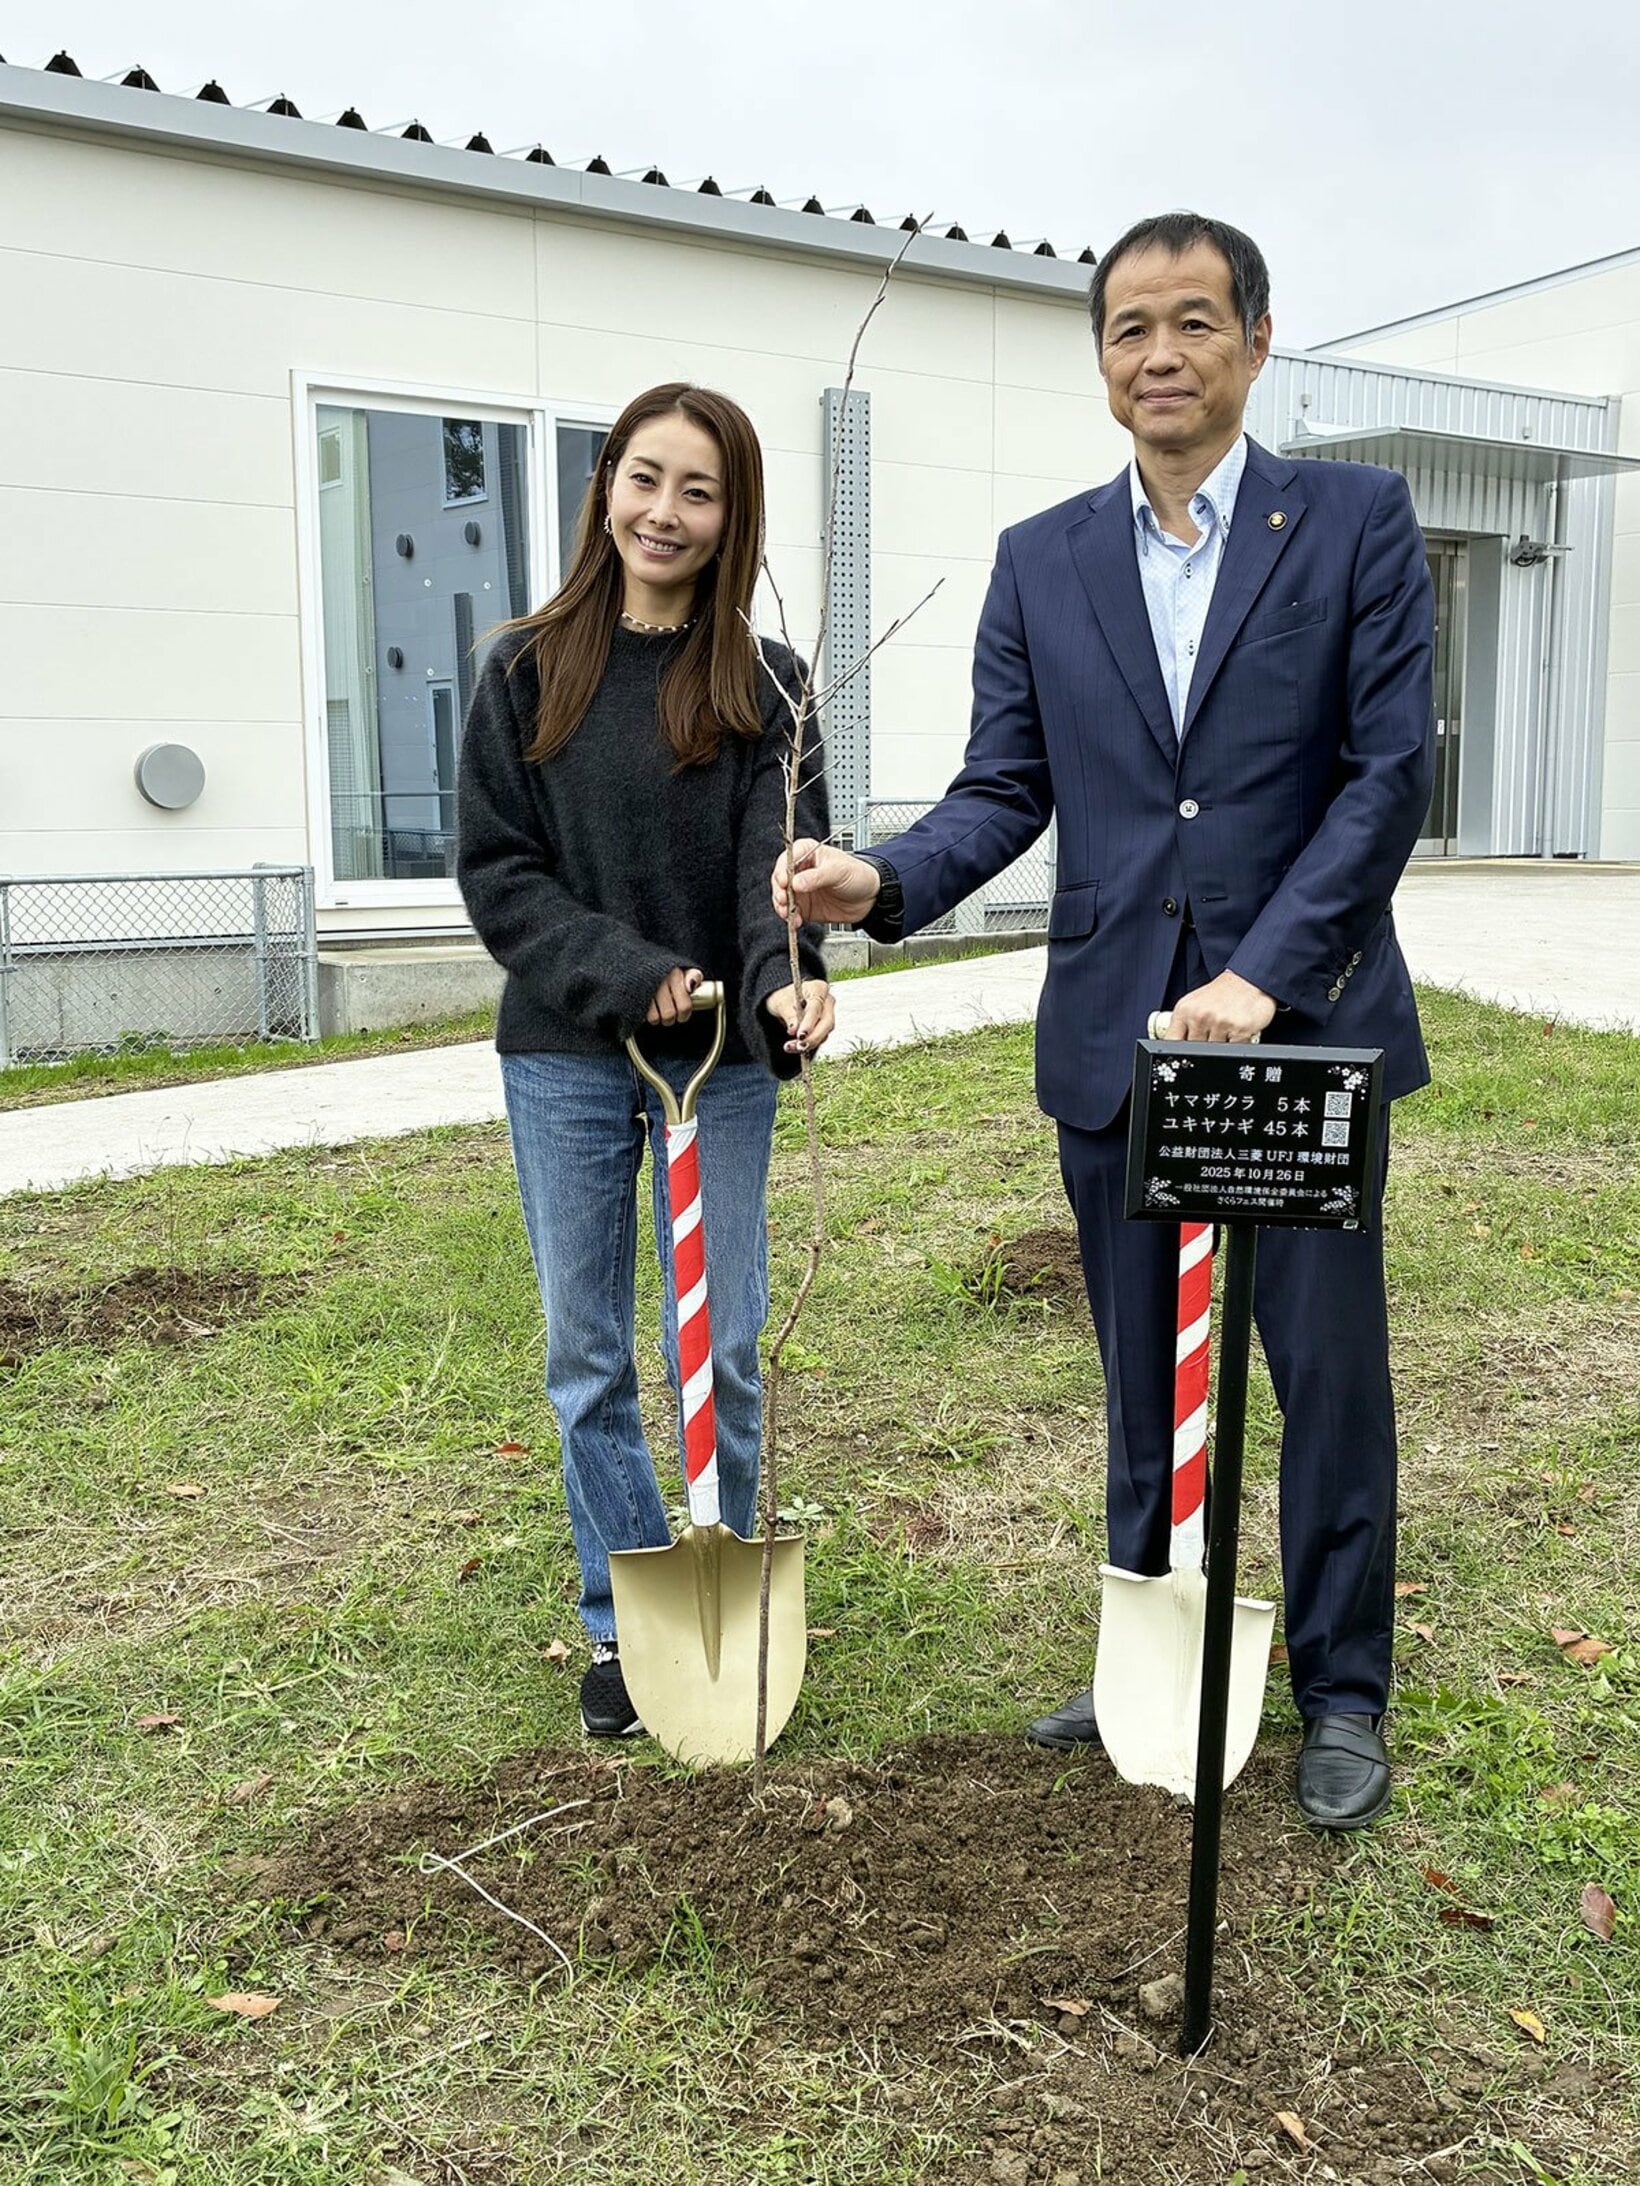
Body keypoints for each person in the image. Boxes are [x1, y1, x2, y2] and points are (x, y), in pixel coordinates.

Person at [774, 214, 1434, 1829]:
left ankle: (1341, 1688)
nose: (1161, 353)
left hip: (1300, 1033)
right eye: (1130, 327)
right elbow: (1008, 785)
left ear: (1257, 343)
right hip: (1117, 1038)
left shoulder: (1353, 521)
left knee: (1324, 1373)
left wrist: (1261, 973)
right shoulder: (1043, 557)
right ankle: (1157, 1638)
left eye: (1195, 321)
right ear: (1101, 363)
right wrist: (885, 878)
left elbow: (1384, 776)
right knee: (1150, 1373)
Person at [459, 382, 833, 1741]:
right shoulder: (522, 669)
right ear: (604, 482)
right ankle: (627, 1619)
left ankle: (726, 1589)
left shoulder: (769, 688)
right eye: (644, 477)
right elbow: (499, 874)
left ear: (734, 514)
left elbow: (773, 872)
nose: (664, 512)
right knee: (590, 1352)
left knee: (723, 1342)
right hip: (565, 1053)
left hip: (720, 1064)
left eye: (700, 489)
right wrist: (628, 975)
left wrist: (787, 980)